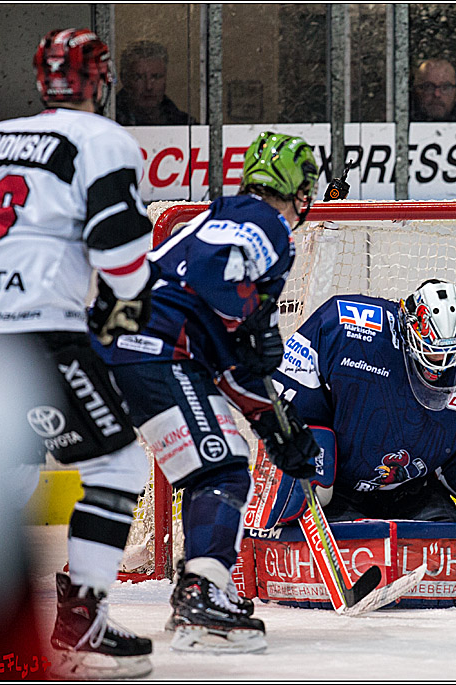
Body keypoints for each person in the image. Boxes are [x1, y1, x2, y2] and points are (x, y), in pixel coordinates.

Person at [0, 28, 156, 678]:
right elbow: (118, 245)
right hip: (33, 326)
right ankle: (80, 624)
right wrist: (127, 304)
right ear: (103, 79)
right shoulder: (105, 139)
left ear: (42, 80)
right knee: (116, 462)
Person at [92, 131, 322, 652]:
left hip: (127, 347)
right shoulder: (265, 223)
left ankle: (186, 590)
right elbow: (215, 279)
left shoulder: (220, 215)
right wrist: (253, 321)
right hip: (155, 351)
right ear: (296, 187)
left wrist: (274, 424)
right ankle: (199, 600)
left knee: (206, 464)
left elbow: (226, 361)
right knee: (220, 469)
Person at [240, 279, 456, 550]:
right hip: (339, 491)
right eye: (430, 355)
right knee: (329, 505)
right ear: (408, 331)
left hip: (413, 491)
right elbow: (288, 389)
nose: (436, 370)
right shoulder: (348, 325)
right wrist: (307, 454)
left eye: (447, 358)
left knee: (445, 537)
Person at [114, 40, 196, 126]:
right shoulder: (109, 121)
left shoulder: (183, 124)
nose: (149, 86)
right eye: (139, 77)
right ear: (124, 79)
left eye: (156, 77)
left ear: (165, 78)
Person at [411, 58, 456, 122]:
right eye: (428, 87)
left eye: (445, 87)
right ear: (416, 90)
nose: (437, 94)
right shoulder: (404, 116)